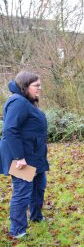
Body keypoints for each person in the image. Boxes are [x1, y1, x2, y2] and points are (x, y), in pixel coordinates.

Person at [0, 71, 49, 238]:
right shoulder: (18, 102)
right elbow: (9, 130)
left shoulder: (27, 101)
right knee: (22, 191)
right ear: (25, 86)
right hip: (22, 158)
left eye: (40, 85)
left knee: (39, 186)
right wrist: (19, 157)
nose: (39, 89)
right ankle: (17, 230)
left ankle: (36, 216)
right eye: (36, 86)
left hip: (34, 155)